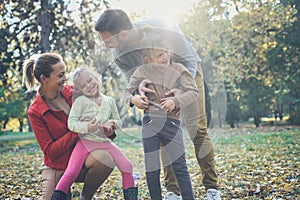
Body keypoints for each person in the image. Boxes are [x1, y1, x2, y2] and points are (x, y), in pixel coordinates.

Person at [95, 9, 222, 200]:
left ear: (123, 34)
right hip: (155, 81)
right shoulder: (119, 54)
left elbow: (188, 60)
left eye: (108, 41)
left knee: (197, 128)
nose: (106, 46)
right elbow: (134, 80)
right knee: (162, 129)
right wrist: (140, 92)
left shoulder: (161, 27)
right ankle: (173, 191)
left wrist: (180, 91)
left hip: (187, 73)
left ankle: (212, 188)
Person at [22, 53, 115, 200]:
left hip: (82, 158)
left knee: (106, 158)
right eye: (60, 75)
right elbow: (51, 152)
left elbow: (100, 115)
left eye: (65, 73)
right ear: (44, 79)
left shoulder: (74, 92)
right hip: (57, 165)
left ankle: (86, 196)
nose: (65, 78)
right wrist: (79, 130)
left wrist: (107, 129)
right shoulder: (36, 111)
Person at [123, 35, 197, 199]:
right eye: (159, 55)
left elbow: (193, 91)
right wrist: (134, 100)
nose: (165, 57)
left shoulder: (179, 69)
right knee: (152, 167)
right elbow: (126, 92)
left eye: (166, 52)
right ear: (148, 59)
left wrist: (175, 101)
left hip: (172, 122)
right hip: (150, 121)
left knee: (179, 165)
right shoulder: (142, 71)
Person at [50, 67, 138, 200]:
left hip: (104, 142)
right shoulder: (80, 102)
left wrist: (112, 124)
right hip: (85, 142)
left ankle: (131, 197)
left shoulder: (109, 101)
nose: (89, 86)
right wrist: (87, 127)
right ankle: (56, 197)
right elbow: (71, 123)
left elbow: (119, 122)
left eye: (90, 80)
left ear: (96, 78)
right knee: (71, 171)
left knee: (127, 166)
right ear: (79, 90)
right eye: (84, 85)